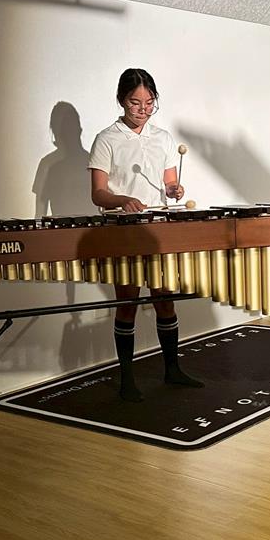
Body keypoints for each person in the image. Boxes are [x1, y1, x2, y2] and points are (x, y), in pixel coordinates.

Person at [88, 68, 203, 402]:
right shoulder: (106, 139)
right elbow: (97, 193)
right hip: (122, 230)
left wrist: (175, 189)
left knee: (164, 300)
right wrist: (121, 199)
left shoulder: (163, 138)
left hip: (157, 228)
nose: (143, 109)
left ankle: (173, 369)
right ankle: (127, 379)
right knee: (127, 304)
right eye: (135, 102)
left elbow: (169, 184)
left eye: (149, 102)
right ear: (121, 100)